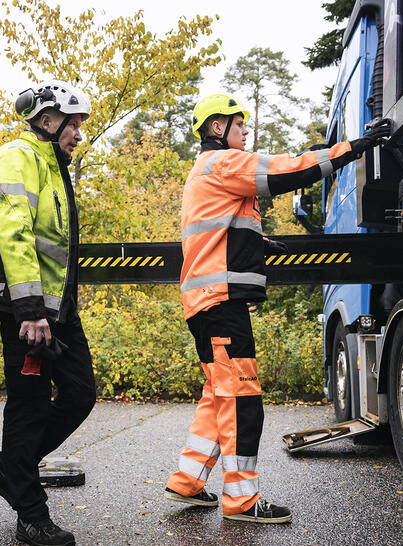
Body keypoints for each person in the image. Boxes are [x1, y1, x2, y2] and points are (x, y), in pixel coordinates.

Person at [164, 93, 390, 523]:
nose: (245, 132)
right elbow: (287, 171)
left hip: (207, 303)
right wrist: (353, 148)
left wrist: (260, 243)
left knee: (221, 394)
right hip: (219, 303)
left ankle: (187, 481)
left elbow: (218, 233)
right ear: (217, 128)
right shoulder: (223, 164)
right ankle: (242, 500)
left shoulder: (206, 172)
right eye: (238, 124)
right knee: (242, 401)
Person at [0, 80, 96, 546]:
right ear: (47, 120)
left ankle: (8, 470)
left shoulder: (55, 166)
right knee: (30, 406)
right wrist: (30, 310)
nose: (79, 132)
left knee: (80, 394)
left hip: (57, 310)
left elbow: (54, 248)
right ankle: (30, 515)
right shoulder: (18, 156)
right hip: (27, 310)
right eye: (73, 122)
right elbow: (15, 235)